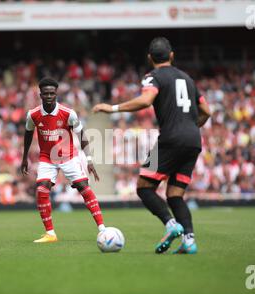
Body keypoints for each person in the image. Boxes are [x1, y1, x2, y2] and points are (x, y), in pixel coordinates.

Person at [93, 37, 211, 254]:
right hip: (193, 140)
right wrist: (190, 127)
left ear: (149, 58)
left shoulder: (153, 76)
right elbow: (207, 111)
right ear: (172, 56)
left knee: (144, 188)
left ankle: (171, 225)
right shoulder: (187, 79)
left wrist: (113, 108)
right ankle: (189, 241)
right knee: (175, 195)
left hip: (170, 139)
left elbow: (146, 100)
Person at [21, 77, 105, 243]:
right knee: (42, 190)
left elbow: (82, 134)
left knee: (84, 187)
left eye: (52, 93)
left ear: (56, 93)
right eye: (46, 93)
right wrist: (24, 158)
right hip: (46, 158)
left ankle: (102, 229)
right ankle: (50, 233)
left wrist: (88, 159)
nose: (49, 96)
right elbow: (28, 134)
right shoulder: (33, 115)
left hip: (69, 156)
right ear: (41, 95)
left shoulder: (68, 113)